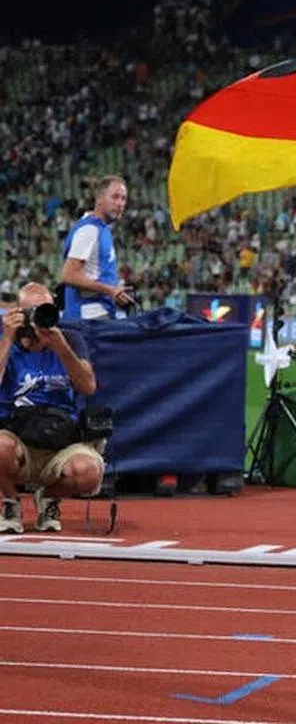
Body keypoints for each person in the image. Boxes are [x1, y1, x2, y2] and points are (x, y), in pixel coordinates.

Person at [0, 283, 104, 534]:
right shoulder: (5, 337)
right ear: (18, 312)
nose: (37, 318)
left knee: (89, 473)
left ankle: (47, 496)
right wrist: (7, 338)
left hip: (60, 439)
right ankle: (10, 503)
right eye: (30, 312)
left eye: (44, 310)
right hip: (16, 438)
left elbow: (88, 387)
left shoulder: (69, 338)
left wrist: (61, 348)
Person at [59, 175, 136, 321]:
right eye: (115, 197)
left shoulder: (100, 229)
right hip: (89, 318)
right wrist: (110, 290)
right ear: (99, 199)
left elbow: (92, 273)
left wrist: (116, 290)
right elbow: (69, 275)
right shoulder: (90, 230)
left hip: (97, 314)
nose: (120, 203)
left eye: (123, 199)